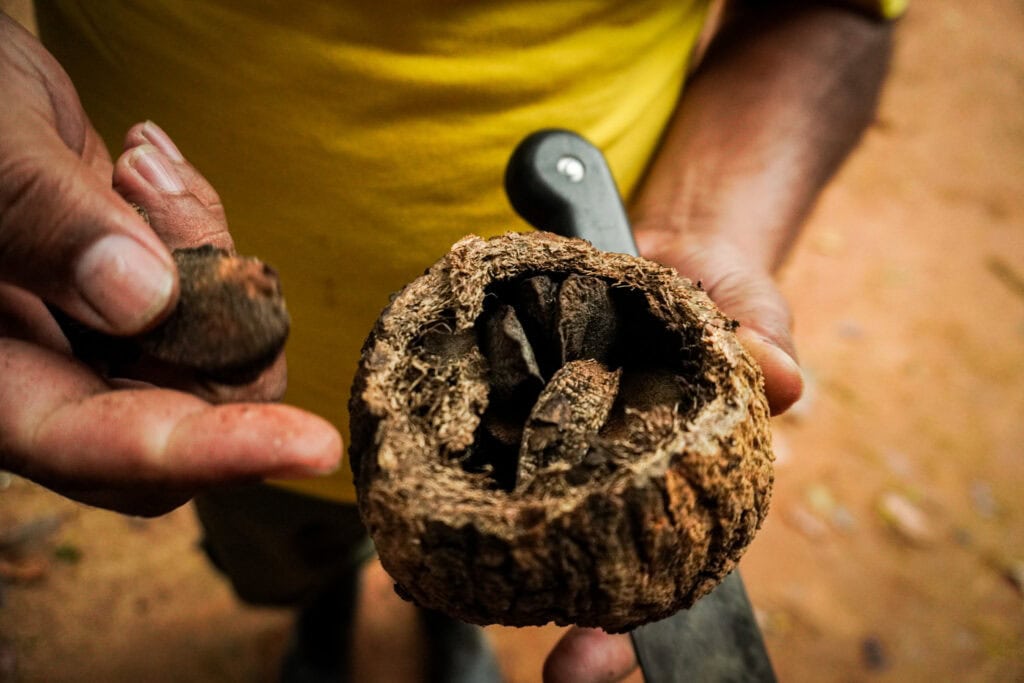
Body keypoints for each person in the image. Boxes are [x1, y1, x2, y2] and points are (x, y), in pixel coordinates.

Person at [0, 1, 901, 680]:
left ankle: (439, 619)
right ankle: (318, 604)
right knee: (274, 554)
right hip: (200, 395)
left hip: (612, 239)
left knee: (425, 570)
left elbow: (841, 7)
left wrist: (711, 220)